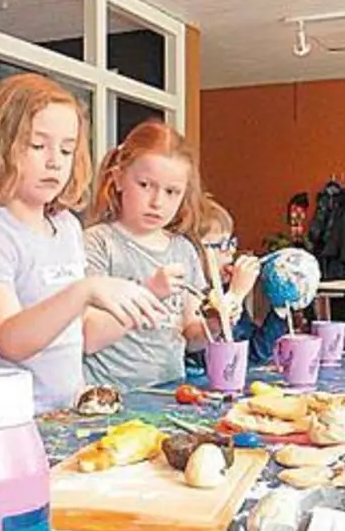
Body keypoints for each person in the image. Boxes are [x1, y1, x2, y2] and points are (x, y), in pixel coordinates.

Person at [0, 74, 166, 412]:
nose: (55, 161)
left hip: (68, 413)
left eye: (67, 149)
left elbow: (87, 335)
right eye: (38, 146)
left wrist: (146, 297)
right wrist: (85, 290)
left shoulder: (66, 227)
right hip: (11, 420)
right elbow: (10, 339)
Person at [81, 121, 211, 388]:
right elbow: (89, 336)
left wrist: (215, 322)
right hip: (110, 397)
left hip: (171, 390)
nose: (157, 202)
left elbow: (191, 336)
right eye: (144, 185)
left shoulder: (183, 249)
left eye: (171, 192)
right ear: (118, 178)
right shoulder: (97, 243)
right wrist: (150, 293)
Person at [195, 199, 280, 365]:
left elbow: (254, 353)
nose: (231, 252)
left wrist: (280, 309)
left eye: (232, 243)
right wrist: (236, 296)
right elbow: (215, 360)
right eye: (222, 245)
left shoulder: (224, 289)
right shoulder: (189, 297)